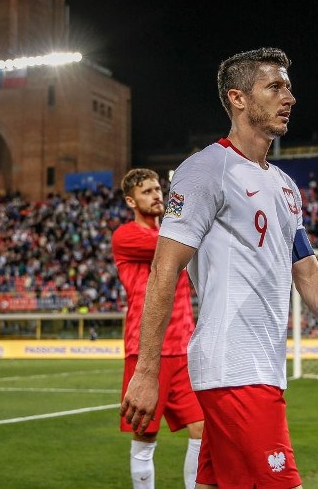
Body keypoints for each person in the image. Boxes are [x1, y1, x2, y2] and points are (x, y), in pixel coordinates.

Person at [119, 47, 318, 489]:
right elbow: (163, 271)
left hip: (262, 367)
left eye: (288, 86)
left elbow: (307, 273)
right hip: (234, 367)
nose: (289, 97)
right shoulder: (205, 170)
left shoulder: (285, 186)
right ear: (238, 98)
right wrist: (147, 371)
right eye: (275, 86)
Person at [111, 168, 204, 489]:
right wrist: (183, 198)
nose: (156, 195)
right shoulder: (125, 236)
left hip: (182, 349)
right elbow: (173, 243)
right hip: (146, 352)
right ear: (130, 200)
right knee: (144, 434)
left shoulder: (170, 230)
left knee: (202, 430)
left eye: (158, 189)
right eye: (147, 191)